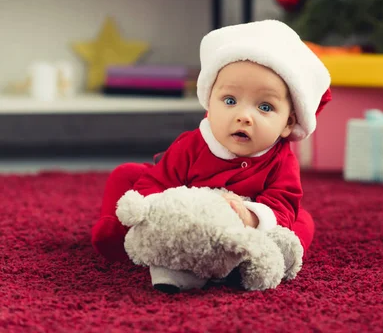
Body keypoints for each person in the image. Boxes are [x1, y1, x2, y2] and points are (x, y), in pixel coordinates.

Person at [90, 20, 332, 288]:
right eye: (230, 101)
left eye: (264, 106)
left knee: (302, 221)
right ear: (209, 103)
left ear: (288, 123)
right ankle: (117, 230)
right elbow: (157, 182)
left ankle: (264, 256)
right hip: (188, 224)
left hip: (241, 231)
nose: (243, 116)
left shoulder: (281, 160)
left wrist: (251, 216)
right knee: (128, 174)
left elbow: (282, 203)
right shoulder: (192, 145)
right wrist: (154, 211)